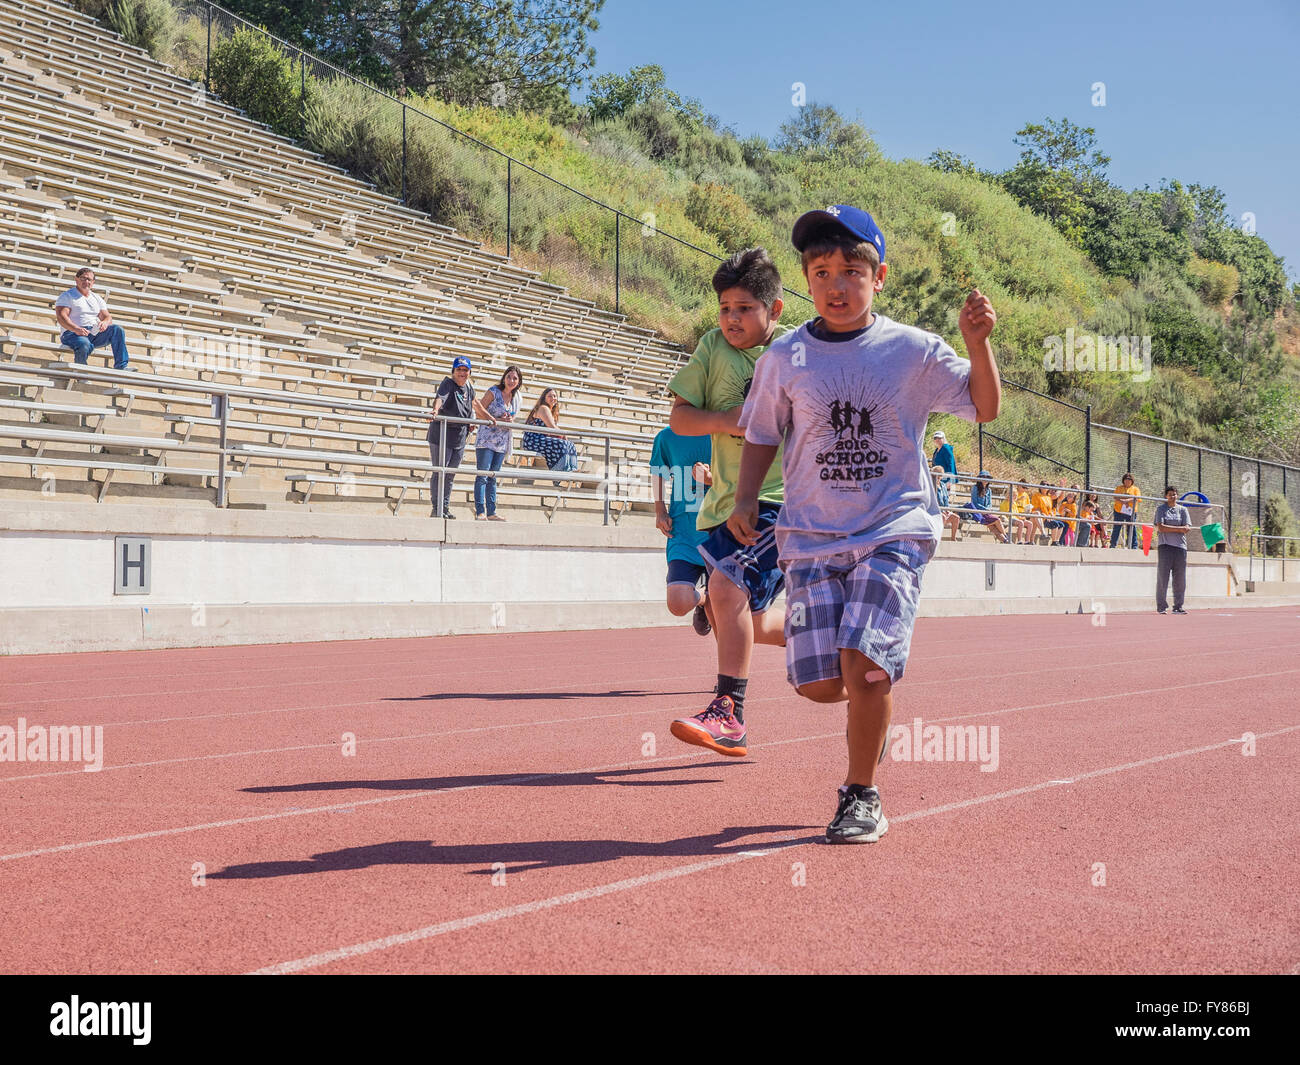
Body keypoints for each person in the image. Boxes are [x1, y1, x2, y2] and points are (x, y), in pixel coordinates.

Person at [729, 204, 1000, 843]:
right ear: (806, 278)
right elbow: (762, 434)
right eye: (821, 271)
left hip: (893, 528)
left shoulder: (913, 352)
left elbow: (984, 407)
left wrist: (978, 345)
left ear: (879, 278)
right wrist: (744, 502)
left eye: (852, 270)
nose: (836, 284)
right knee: (823, 685)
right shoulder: (786, 357)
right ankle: (866, 717)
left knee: (866, 665)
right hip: (812, 536)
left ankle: (861, 794)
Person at [664, 247, 793, 759]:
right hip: (723, 504)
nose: (732, 319)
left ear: (775, 310)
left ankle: (728, 711)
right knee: (735, 616)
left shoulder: (796, 354)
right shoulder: (712, 348)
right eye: (725, 307)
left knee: (723, 584)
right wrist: (726, 419)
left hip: (780, 502)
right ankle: (825, 634)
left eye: (744, 308)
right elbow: (679, 419)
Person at [650, 424, 714, 636]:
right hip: (683, 534)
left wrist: (709, 479)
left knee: (725, 617)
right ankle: (705, 598)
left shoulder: (724, 433)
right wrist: (660, 510)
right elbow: (658, 471)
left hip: (720, 535)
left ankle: (729, 669)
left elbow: (742, 478)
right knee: (677, 603)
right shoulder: (666, 437)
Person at [427, 356, 494, 519]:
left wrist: (490, 419)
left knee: (450, 475)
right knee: (440, 472)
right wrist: (435, 410)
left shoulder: (469, 388)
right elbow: (440, 399)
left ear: (469, 372)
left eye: (465, 370)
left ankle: (445, 507)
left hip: (459, 437)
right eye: (459, 370)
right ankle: (437, 508)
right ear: (453, 371)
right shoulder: (448, 384)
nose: (462, 373)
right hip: (442, 434)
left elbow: (476, 405)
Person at [53, 267, 130, 370]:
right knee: (84, 343)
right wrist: (76, 329)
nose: (86, 281)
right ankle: (81, 372)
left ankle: (121, 366)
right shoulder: (68, 296)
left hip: (92, 332)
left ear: (93, 282)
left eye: (89, 279)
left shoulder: (96, 298)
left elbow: (107, 316)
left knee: (117, 330)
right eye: (83, 278)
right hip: (71, 333)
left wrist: (105, 322)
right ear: (76, 279)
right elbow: (62, 317)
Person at [473, 366, 524, 521]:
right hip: (486, 440)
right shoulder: (493, 391)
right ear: (504, 378)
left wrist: (508, 421)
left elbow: (512, 418)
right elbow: (478, 411)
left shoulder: (516, 398)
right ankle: (480, 511)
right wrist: (497, 420)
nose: (511, 380)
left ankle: (492, 512)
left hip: (501, 442)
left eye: (515, 378)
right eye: (509, 377)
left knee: (493, 477)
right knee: (483, 475)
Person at [1153, 485, 1192, 614]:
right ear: (1166, 496)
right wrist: (1178, 529)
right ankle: (1161, 606)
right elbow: (1161, 528)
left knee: (1180, 579)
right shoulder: (1161, 509)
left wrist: (1179, 529)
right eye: (1170, 494)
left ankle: (1178, 606)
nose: (1172, 496)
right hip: (1165, 547)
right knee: (1163, 578)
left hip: (1180, 548)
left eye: (1174, 494)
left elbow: (1186, 528)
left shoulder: (1183, 510)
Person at [521, 388, 581, 472]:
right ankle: (561, 471)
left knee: (570, 445)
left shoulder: (551, 411)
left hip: (542, 439)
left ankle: (572, 469)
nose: (553, 398)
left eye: (554, 396)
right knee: (562, 444)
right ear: (544, 398)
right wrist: (564, 435)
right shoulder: (543, 408)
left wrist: (563, 436)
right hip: (533, 440)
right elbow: (552, 427)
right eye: (550, 396)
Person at [957, 470, 1010, 543]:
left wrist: (987, 509)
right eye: (983, 477)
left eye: (987, 477)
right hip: (978, 512)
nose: (985, 479)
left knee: (993, 528)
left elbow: (989, 503)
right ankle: (1007, 537)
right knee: (997, 521)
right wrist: (985, 510)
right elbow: (975, 503)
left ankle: (1005, 540)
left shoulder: (989, 490)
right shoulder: (975, 488)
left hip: (986, 512)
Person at [1110, 473, 1140, 549]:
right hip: (1119, 511)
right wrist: (1122, 501)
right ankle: (1113, 545)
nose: (1127, 481)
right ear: (1123, 480)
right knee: (1116, 528)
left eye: (1129, 479)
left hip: (1130, 512)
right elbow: (1116, 496)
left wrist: (1127, 500)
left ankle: (1133, 546)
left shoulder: (1135, 489)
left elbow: (1137, 498)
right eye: (1126, 479)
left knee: (1131, 528)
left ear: (1132, 481)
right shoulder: (1119, 488)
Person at [932, 464, 962, 541]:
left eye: (940, 475)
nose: (939, 477)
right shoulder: (931, 485)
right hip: (935, 511)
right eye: (937, 475)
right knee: (943, 517)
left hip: (944, 510)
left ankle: (953, 538)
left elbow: (946, 499)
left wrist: (947, 509)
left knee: (956, 518)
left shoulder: (943, 485)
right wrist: (942, 511)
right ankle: (937, 538)